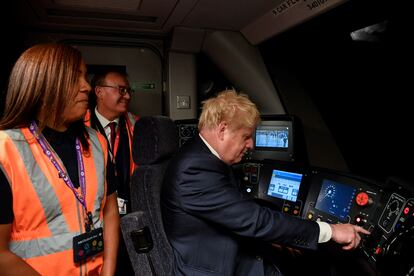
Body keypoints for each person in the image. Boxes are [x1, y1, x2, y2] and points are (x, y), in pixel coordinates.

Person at [161, 90, 370, 275]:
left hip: (223, 255)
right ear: (223, 129)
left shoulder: (201, 155)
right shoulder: (194, 169)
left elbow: (241, 212)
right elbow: (254, 220)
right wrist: (330, 231)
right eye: (246, 137)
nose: (251, 145)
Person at [0, 43, 119, 275]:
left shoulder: (97, 143)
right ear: (43, 85)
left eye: (85, 77)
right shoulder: (6, 150)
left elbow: (110, 211)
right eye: (75, 78)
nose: (86, 86)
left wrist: (108, 272)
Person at [84, 69, 138, 275]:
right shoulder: (78, 127)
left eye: (129, 90)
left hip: (128, 219)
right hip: (93, 221)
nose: (128, 96)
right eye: (121, 90)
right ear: (98, 91)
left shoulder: (138, 127)